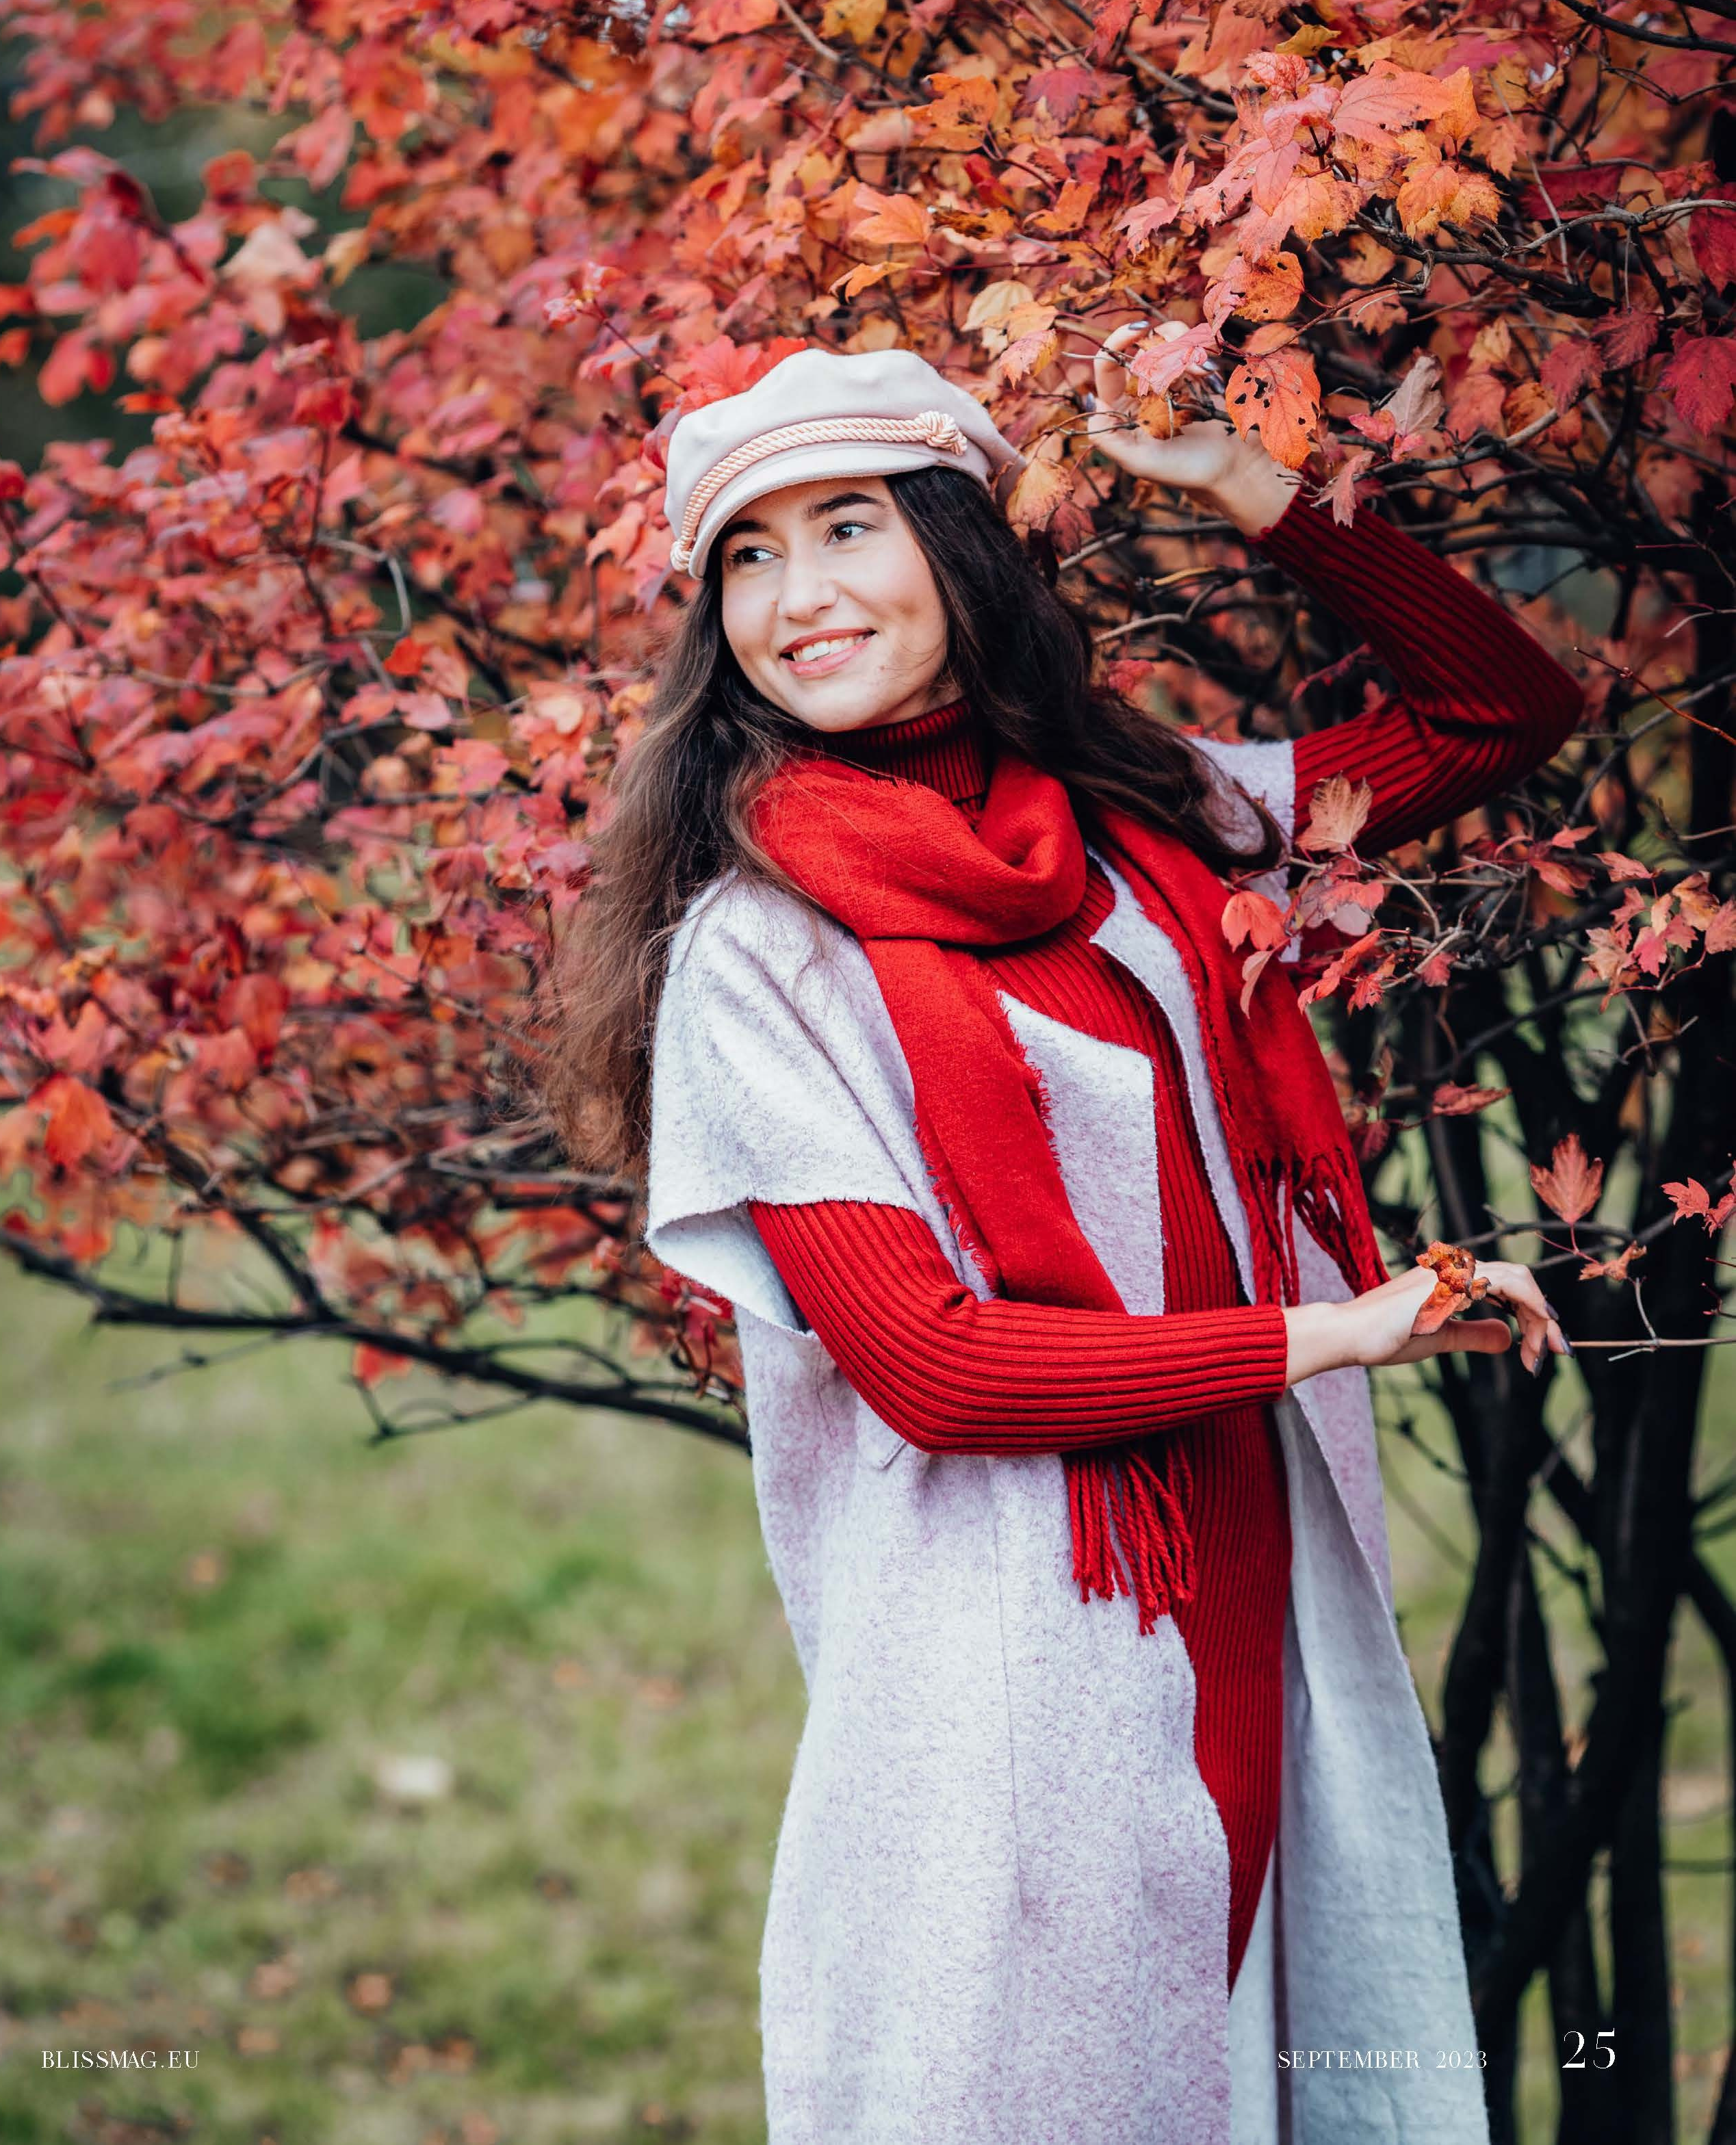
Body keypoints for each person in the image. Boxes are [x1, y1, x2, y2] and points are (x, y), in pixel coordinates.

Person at [538, 340, 1580, 2145]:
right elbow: (936, 1364)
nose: (799, 595)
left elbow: (1502, 715)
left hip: (1248, 1577)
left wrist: (1265, 495)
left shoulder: (1143, 823)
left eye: (848, 525)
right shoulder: (760, 952)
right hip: (1019, 1658)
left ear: (961, 544)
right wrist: (1333, 1332)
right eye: (751, 558)